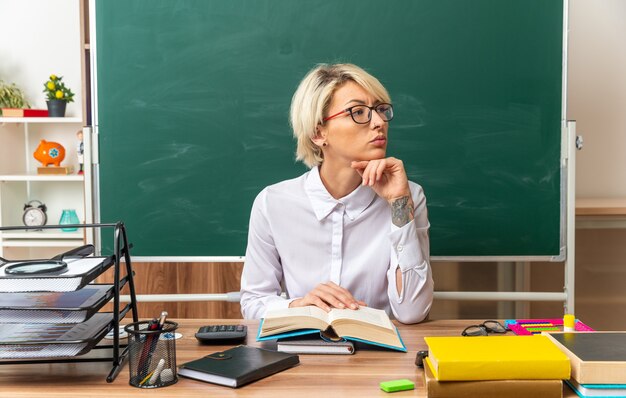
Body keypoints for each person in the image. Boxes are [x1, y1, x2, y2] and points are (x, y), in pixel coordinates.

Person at [240, 63, 433, 324]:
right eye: (358, 112)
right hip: (301, 354)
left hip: (381, 356)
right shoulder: (273, 203)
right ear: (319, 133)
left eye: (380, 110)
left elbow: (412, 312)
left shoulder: (408, 196)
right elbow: (253, 302)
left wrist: (400, 205)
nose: (378, 122)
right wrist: (299, 306)